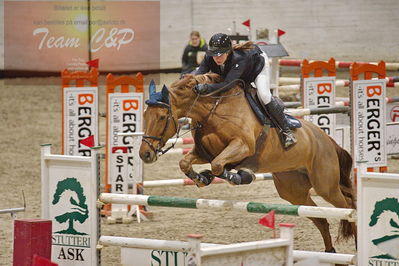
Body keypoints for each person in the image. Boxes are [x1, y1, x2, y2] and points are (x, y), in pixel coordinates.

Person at [194, 33, 296, 149]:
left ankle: (286, 131)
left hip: (257, 67)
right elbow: (198, 75)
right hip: (237, 72)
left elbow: (228, 84)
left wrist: (206, 88)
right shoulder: (209, 57)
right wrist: (186, 82)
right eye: (214, 55)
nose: (217, 58)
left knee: (264, 95)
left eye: (220, 55)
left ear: (228, 52)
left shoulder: (239, 58)